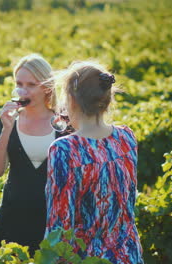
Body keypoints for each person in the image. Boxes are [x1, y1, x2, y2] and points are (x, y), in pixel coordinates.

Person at [45, 61, 144, 263]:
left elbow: (60, 225)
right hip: (129, 255)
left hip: (86, 258)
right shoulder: (126, 137)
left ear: (72, 100)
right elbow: (128, 206)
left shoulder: (65, 150)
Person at [0, 54, 63, 254]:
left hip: (54, 222)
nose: (23, 91)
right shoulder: (8, 122)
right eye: (19, 83)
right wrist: (6, 130)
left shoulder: (65, 125)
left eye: (31, 85)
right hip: (13, 219)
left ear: (46, 87)